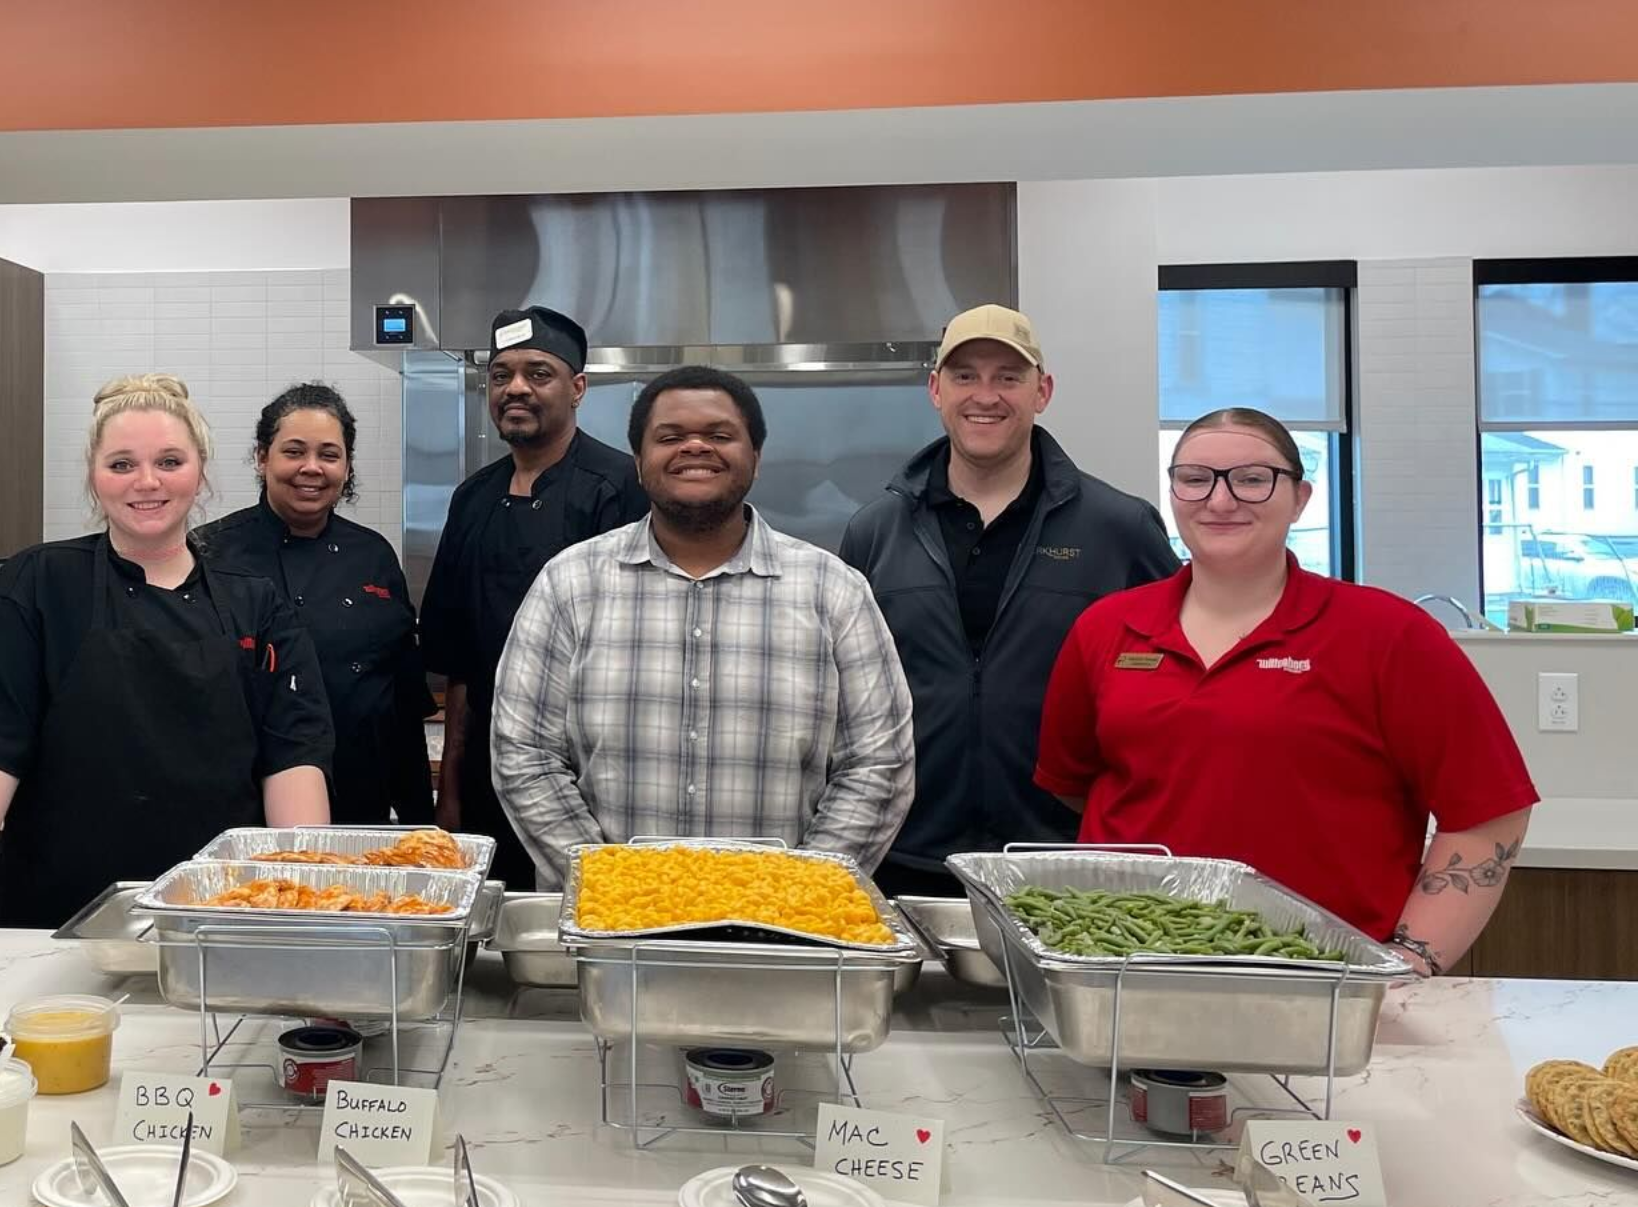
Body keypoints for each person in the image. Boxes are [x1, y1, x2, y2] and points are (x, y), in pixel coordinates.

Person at [1035, 407, 1539, 975]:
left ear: (1300, 498)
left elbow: (1490, 812)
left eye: (1253, 479)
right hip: (1125, 967)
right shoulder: (1106, 629)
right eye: (1195, 478)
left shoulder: (1389, 635)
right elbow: (1076, 786)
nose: (1220, 500)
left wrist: (1411, 959)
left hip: (1324, 978)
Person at [0, 375, 335, 938]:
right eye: (122, 464)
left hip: (217, 919)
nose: (147, 481)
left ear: (201, 472)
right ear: (94, 477)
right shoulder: (35, 585)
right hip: (56, 922)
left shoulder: (256, 602)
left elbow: (292, 761)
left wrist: (303, 909)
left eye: (169, 462)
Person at [491, 365, 914, 888]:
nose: (695, 447)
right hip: (604, 920)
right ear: (639, 463)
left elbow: (878, 766)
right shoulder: (569, 584)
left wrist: (796, 893)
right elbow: (524, 755)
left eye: (719, 435)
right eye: (669, 437)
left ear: (755, 457)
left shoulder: (834, 591)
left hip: (781, 921)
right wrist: (612, 887)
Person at [841, 304, 1179, 898]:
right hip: (902, 857)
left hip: (1066, 861)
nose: (985, 395)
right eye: (965, 376)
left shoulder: (1119, 528)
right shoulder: (877, 531)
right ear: (936, 390)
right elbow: (845, 695)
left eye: (1008, 376)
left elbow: (1174, 679)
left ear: (1042, 391)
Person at [420, 305, 647, 887]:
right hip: (488, 770)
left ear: (578, 389)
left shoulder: (623, 487)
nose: (515, 388)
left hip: (592, 773)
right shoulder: (472, 498)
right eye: (501, 375)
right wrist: (451, 791)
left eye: (538, 373)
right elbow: (460, 662)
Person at [197, 382, 434, 825]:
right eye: (294, 452)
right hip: (241, 805)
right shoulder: (210, 553)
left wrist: (421, 818)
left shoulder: (373, 555)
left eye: (329, 454)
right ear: (262, 457)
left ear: (347, 466)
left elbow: (401, 703)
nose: (311, 468)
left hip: (361, 801)